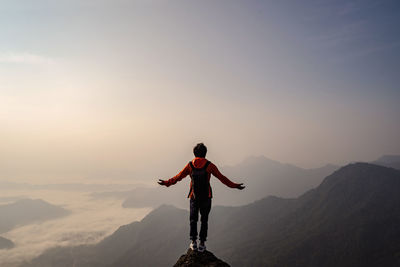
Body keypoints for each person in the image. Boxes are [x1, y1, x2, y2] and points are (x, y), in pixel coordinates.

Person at [158, 143, 245, 252]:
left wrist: (166, 183)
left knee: (193, 219)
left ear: (194, 153)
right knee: (204, 220)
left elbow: (178, 177)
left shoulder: (190, 165)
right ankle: (202, 244)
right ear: (205, 153)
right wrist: (235, 186)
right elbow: (222, 178)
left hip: (193, 197)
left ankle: (193, 242)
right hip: (206, 197)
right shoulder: (210, 165)